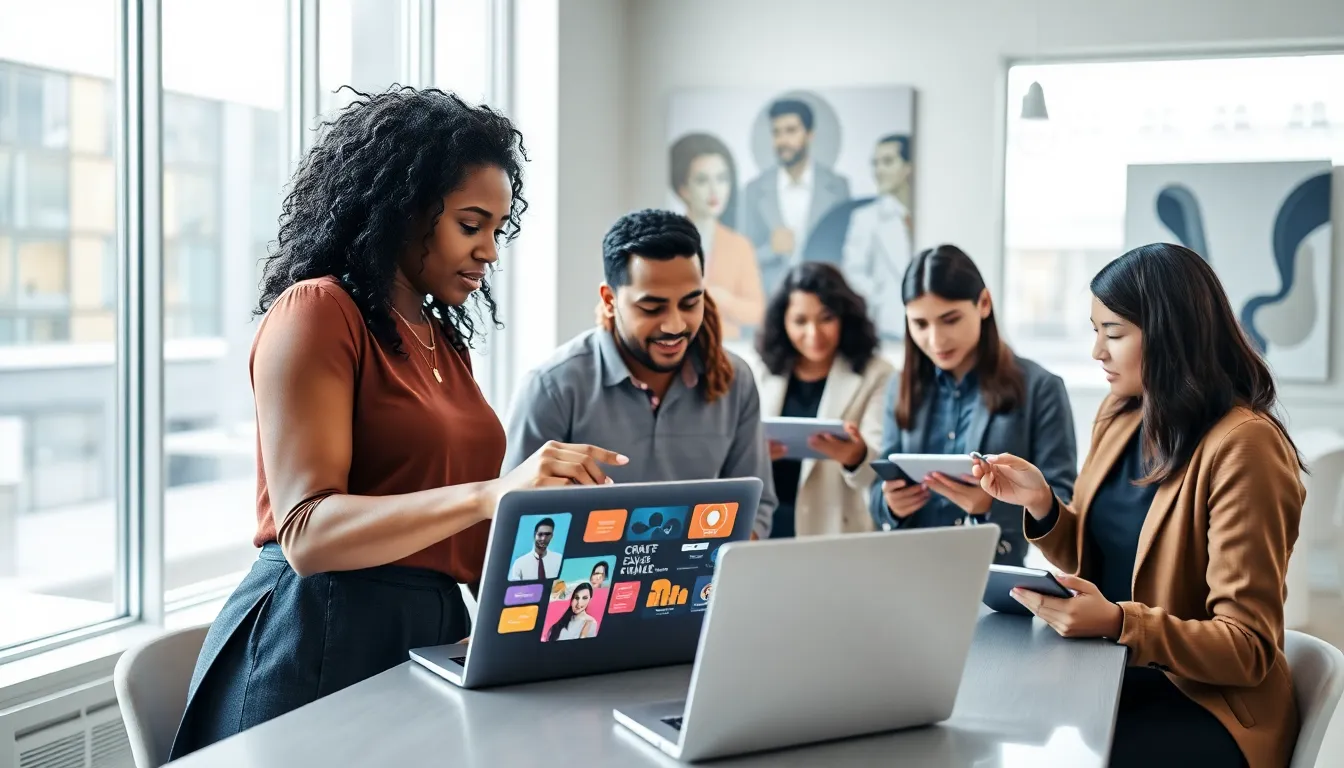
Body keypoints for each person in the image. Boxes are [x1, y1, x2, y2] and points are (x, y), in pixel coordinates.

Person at [169, 87, 623, 759]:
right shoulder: (318, 311)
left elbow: (457, 536)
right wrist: (493, 493)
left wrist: (559, 580)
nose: (490, 251)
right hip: (317, 635)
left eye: (498, 229)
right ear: (404, 209)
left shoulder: (444, 340)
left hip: (429, 626)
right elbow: (307, 533)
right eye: (471, 225)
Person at [972, 243, 1304, 768]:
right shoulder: (1121, 412)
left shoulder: (1245, 445)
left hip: (1203, 706)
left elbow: (1248, 648)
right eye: (1094, 329)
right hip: (1113, 672)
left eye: (1115, 333)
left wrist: (1118, 623)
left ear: (1172, 337)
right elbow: (1094, 561)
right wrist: (1042, 506)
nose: (1097, 352)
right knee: (988, 723)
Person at [503, 208, 778, 538]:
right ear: (609, 300)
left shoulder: (736, 380)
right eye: (652, 308)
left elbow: (757, 506)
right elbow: (512, 522)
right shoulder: (551, 387)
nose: (675, 325)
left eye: (690, 304)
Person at [869, 245, 1076, 566]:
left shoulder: (1041, 387)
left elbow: (1061, 500)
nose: (936, 340)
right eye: (920, 324)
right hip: (907, 571)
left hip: (993, 576)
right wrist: (890, 505)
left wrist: (992, 506)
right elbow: (878, 488)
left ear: (984, 304)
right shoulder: (900, 386)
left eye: (949, 320)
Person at [752, 263, 893, 537]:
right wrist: (753, 455)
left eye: (826, 318)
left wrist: (855, 455)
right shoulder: (761, 370)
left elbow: (875, 467)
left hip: (837, 530)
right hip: (767, 528)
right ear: (783, 322)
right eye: (800, 321)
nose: (814, 334)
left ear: (845, 317)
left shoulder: (877, 373)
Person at [741, 98, 851, 296]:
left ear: (809, 135)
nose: (782, 140)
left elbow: (847, 249)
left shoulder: (838, 186)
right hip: (770, 300)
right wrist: (771, 249)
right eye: (776, 132)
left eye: (791, 131)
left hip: (824, 296)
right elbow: (741, 258)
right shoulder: (753, 190)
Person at [669, 132, 766, 338]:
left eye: (722, 179)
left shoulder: (739, 245)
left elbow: (756, 312)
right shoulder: (666, 241)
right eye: (702, 181)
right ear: (683, 188)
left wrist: (720, 298)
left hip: (726, 351)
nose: (715, 191)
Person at [840, 134, 914, 340]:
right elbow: (853, 273)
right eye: (875, 163)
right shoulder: (865, 219)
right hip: (889, 328)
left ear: (909, 167)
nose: (879, 170)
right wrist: (881, 299)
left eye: (888, 162)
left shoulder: (932, 215)